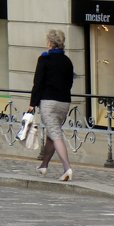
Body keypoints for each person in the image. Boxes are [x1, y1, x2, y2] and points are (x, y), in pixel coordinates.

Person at [28, 28, 75, 182]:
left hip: (49, 102)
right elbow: (69, 83)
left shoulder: (44, 59)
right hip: (64, 102)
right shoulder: (67, 61)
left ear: (50, 43)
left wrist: (32, 104)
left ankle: (67, 168)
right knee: (52, 134)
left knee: (56, 135)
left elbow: (38, 83)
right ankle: (44, 165)